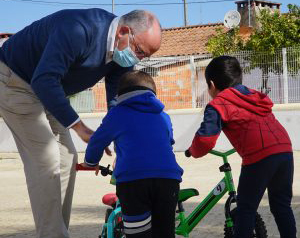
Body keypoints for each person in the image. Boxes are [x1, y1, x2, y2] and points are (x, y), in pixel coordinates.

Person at [0, 9, 161, 238]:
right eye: (140, 51)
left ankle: (56, 231)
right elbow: (44, 80)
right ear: (124, 32)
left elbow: (117, 104)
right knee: (46, 158)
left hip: (49, 87)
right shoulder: (79, 30)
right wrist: (78, 126)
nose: (139, 59)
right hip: (15, 81)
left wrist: (122, 147)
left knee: (67, 158)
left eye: (146, 56)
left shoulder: (121, 54)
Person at [185, 56, 296, 238]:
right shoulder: (254, 96)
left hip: (259, 156)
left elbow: (205, 140)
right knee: (281, 206)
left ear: (211, 84)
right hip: (284, 150)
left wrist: (192, 151)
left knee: (245, 208)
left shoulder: (218, 104)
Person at [82, 70, 183, 238]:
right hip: (168, 180)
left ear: (120, 95)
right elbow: (167, 142)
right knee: (165, 232)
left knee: (138, 233)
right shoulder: (163, 115)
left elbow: (96, 142)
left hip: (133, 182)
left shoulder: (117, 114)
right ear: (153, 94)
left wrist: (90, 162)